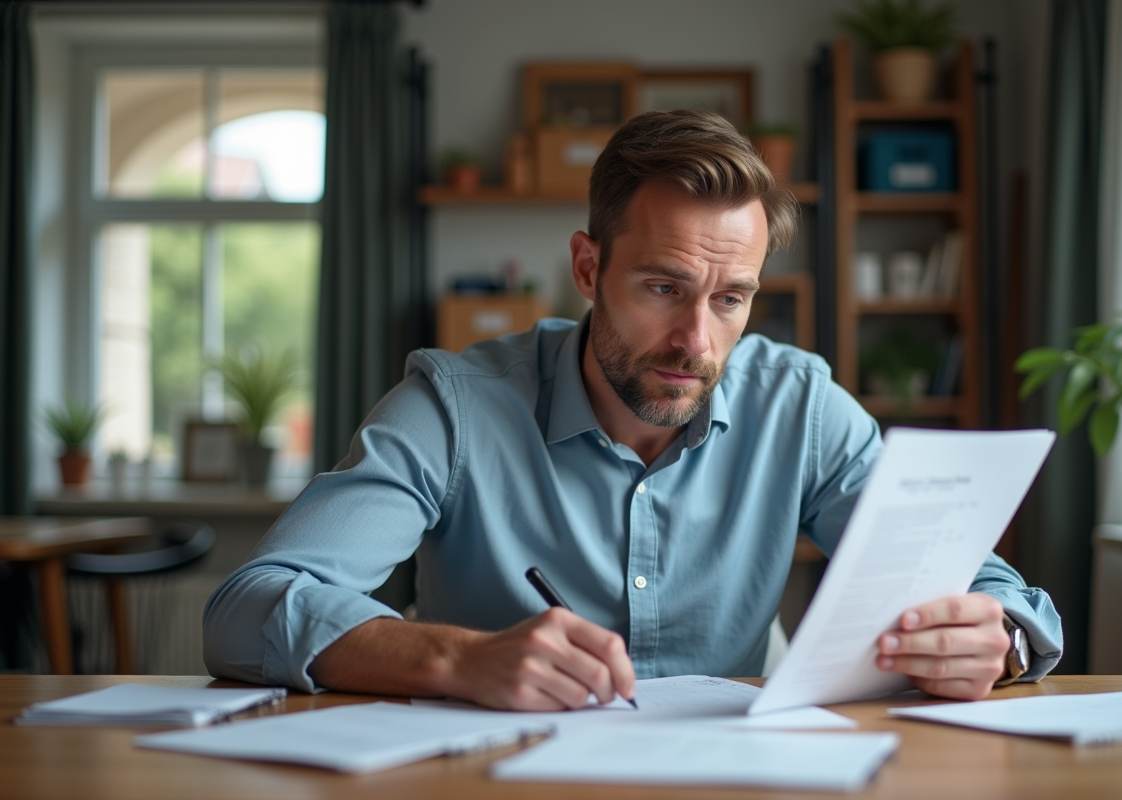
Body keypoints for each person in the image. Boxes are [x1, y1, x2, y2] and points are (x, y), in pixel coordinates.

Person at [203, 109, 1062, 711]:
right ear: (587, 269)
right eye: (663, 287)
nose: (697, 339)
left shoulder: (798, 404)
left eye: (732, 298)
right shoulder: (456, 406)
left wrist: (1001, 639)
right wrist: (460, 657)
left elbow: (985, 587)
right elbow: (252, 604)